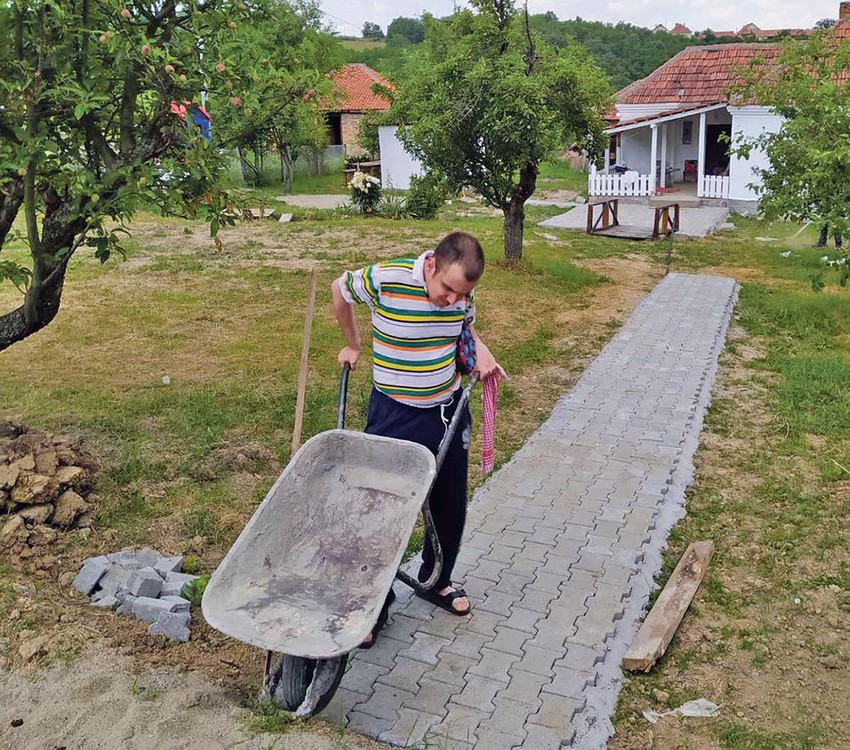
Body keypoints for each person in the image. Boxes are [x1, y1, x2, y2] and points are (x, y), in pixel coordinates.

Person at [332, 231, 506, 647]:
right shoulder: (387, 278)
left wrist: (480, 349)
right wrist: (352, 344)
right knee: (384, 510)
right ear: (431, 265)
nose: (452, 300)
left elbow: (466, 329)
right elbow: (340, 289)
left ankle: (435, 580)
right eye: (447, 289)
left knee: (449, 503)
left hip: (446, 412)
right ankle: (376, 603)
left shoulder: (461, 297)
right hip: (394, 412)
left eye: (461, 294)